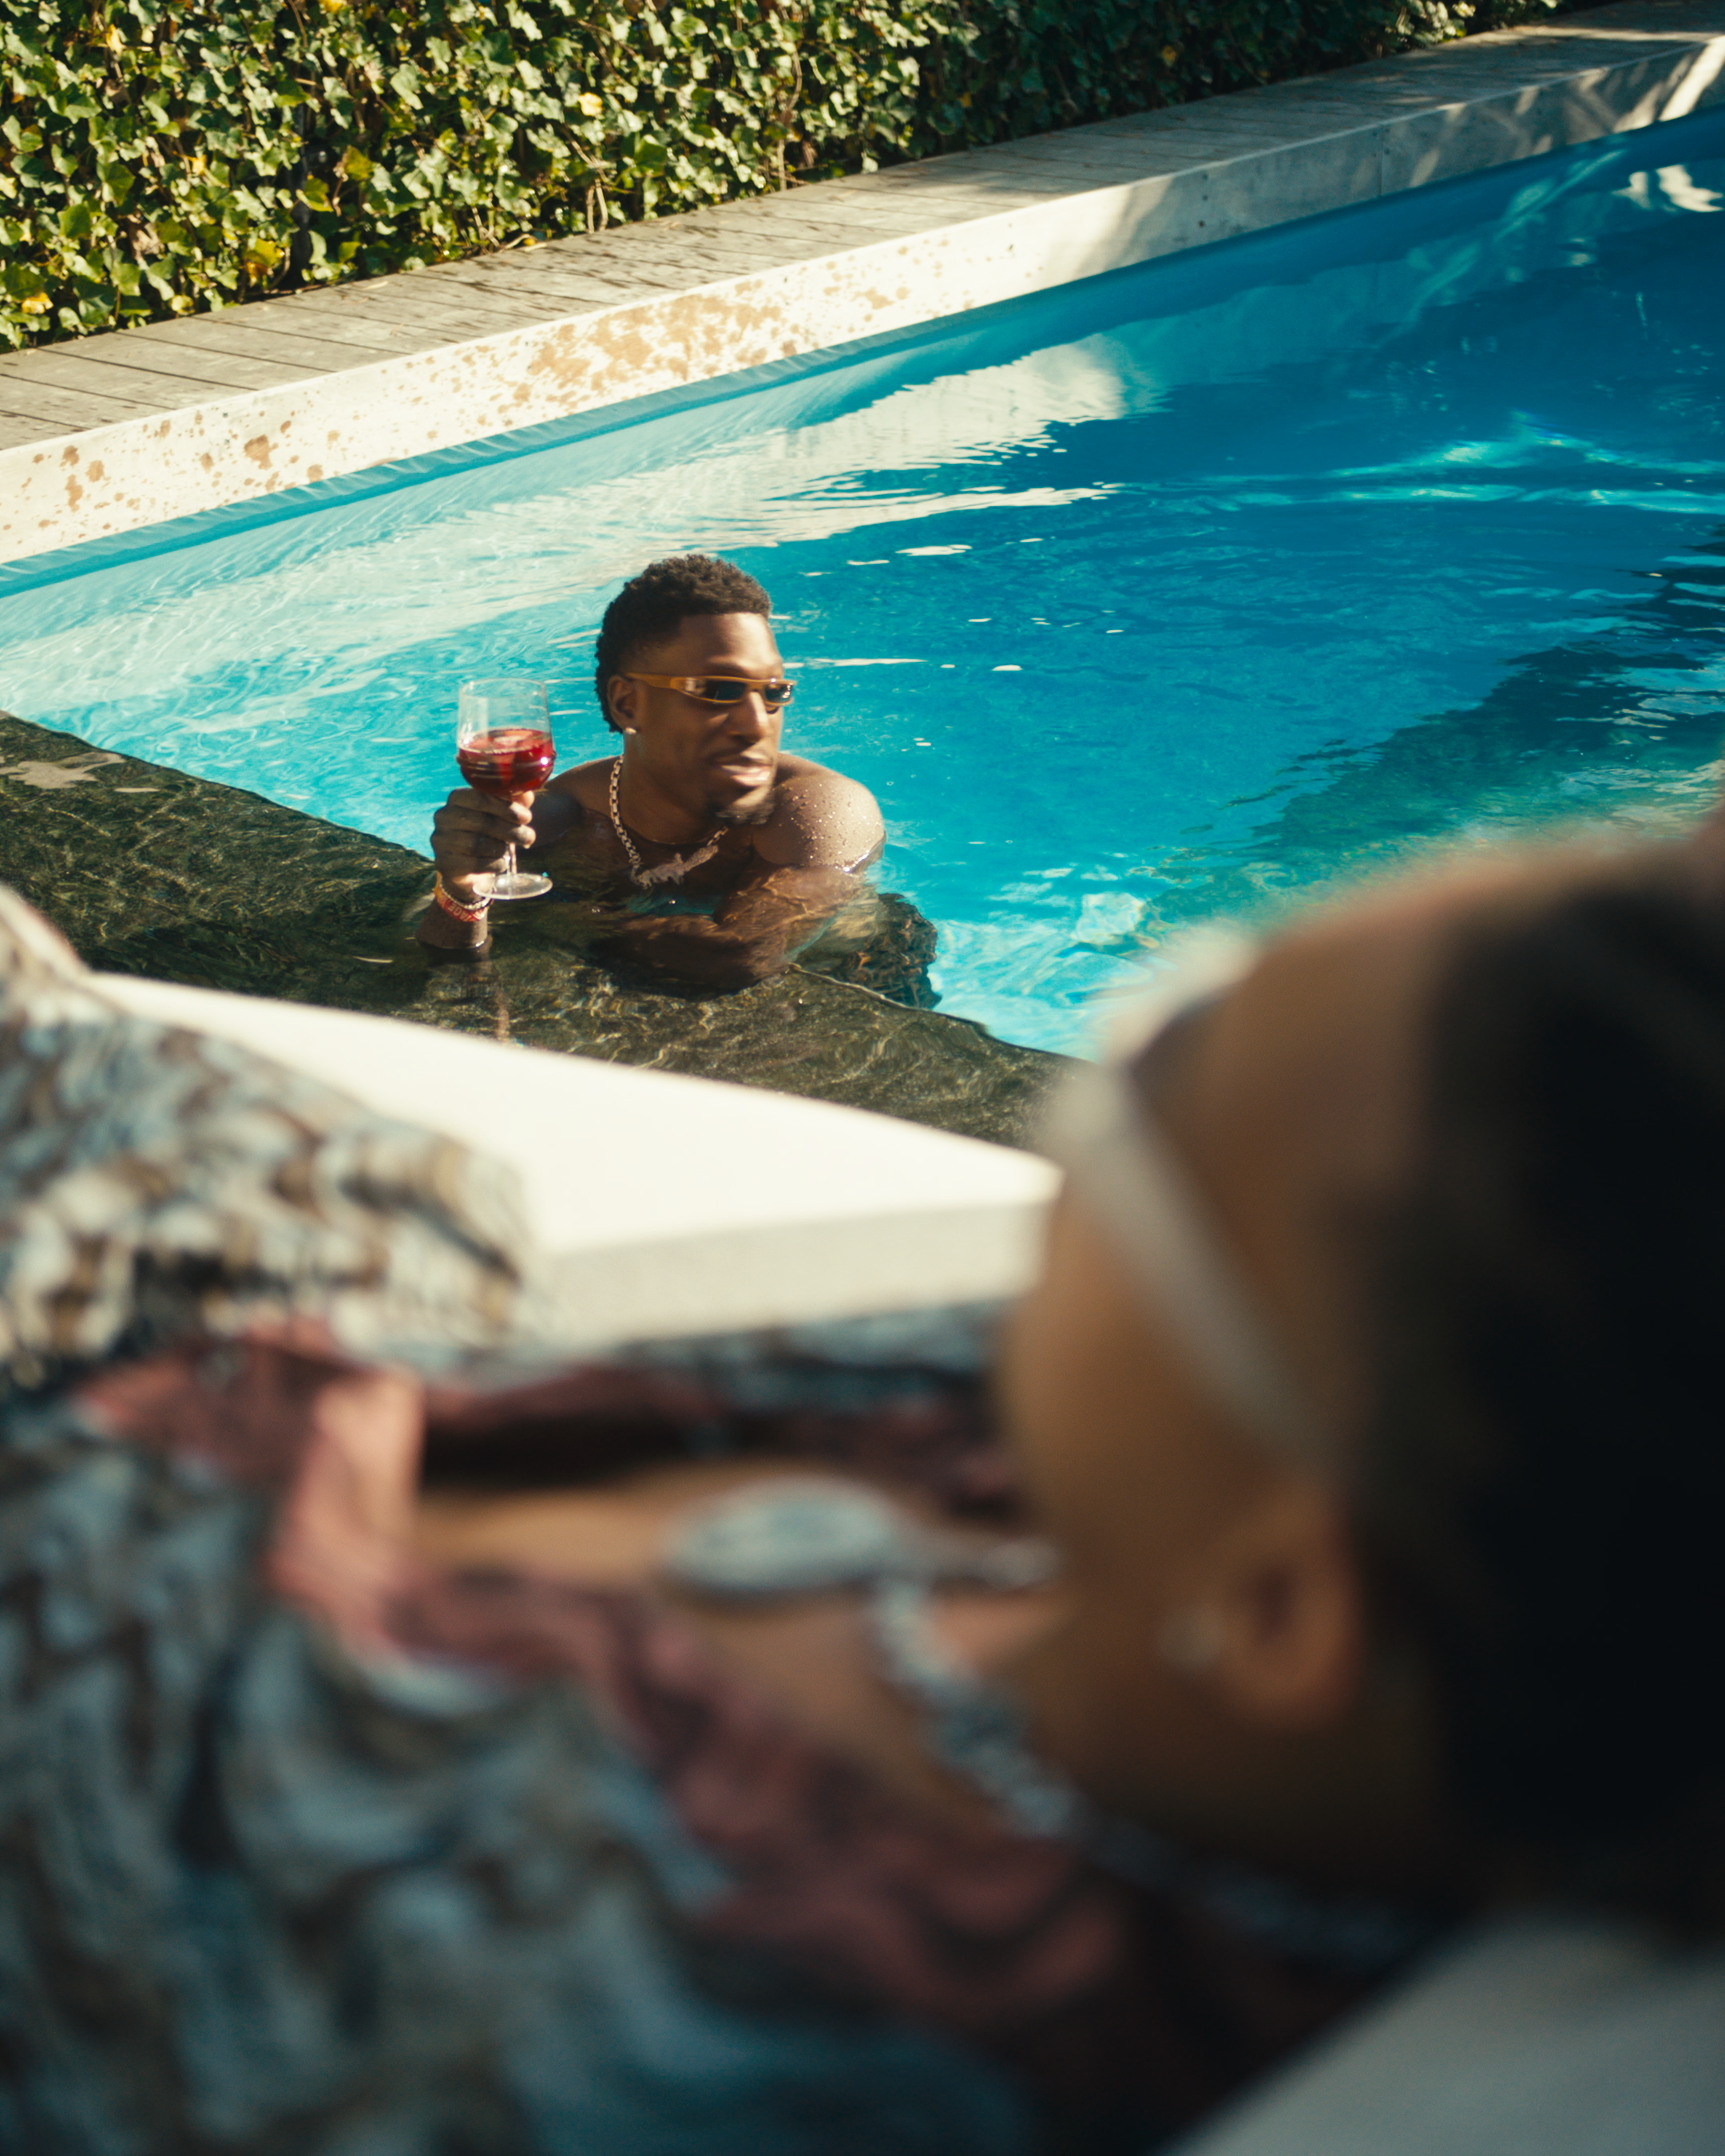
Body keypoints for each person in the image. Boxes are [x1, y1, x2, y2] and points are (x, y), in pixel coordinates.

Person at [418, 554, 893, 993]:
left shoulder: (823, 806)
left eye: (774, 692)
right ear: (629, 703)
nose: (757, 723)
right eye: (719, 690)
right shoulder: (567, 817)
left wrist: (550, 920)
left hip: (868, 980)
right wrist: (463, 890)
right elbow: (443, 963)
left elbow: (738, 956)